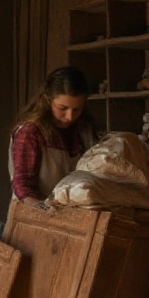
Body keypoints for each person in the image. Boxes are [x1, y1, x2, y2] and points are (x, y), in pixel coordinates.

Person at [9, 66, 98, 206]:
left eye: (77, 109)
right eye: (62, 108)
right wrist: (41, 207)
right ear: (47, 100)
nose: (69, 117)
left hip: (72, 214)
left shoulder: (83, 130)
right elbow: (23, 183)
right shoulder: (30, 132)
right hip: (33, 215)